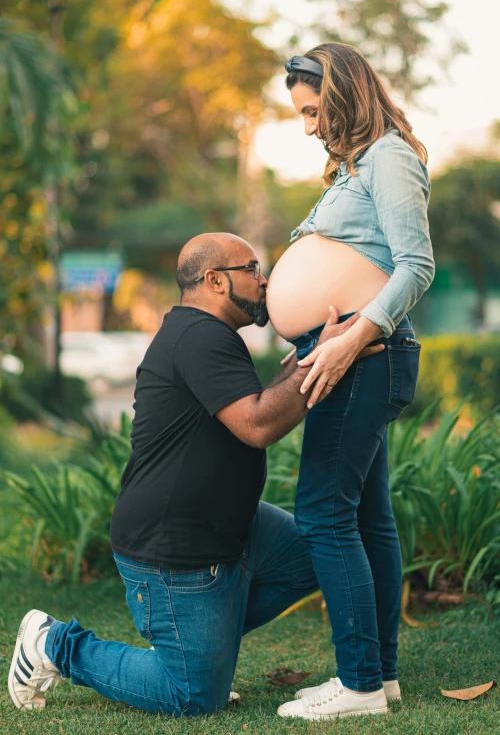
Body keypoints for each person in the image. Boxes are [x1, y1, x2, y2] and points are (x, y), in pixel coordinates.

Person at [8, 232, 384, 717]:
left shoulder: (207, 335)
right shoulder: (198, 335)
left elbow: (243, 409)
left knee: (319, 554)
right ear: (214, 281)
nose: (264, 280)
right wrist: (325, 360)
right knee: (191, 695)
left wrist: (304, 364)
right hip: (175, 548)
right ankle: (53, 644)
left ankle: (201, 649)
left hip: (233, 527)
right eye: (251, 269)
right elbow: (257, 424)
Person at [266, 43, 435, 720]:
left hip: (364, 358)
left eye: (312, 111)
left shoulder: (390, 156)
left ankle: (360, 683)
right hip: (354, 354)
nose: (308, 126)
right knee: (368, 516)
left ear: (342, 94)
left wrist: (350, 339)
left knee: (323, 513)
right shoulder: (357, 167)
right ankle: (381, 678)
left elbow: (415, 266)